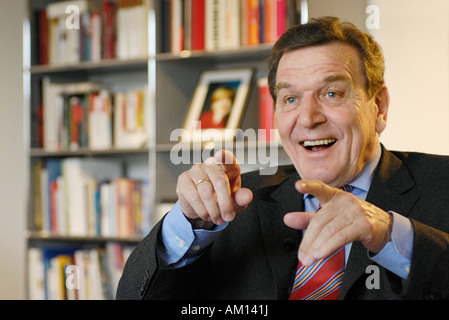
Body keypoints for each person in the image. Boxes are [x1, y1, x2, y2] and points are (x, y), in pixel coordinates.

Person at [116, 16, 449, 300]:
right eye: (290, 98)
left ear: (379, 106)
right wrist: (186, 224)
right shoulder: (233, 204)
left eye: (331, 93)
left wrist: (390, 235)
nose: (307, 118)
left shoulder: (442, 183)